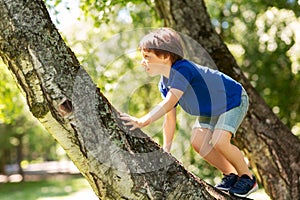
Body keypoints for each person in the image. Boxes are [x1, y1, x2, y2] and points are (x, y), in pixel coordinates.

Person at [120, 27, 258, 197]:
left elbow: (169, 101)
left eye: (147, 57)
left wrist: (142, 121)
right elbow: (169, 118)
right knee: (198, 142)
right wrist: (166, 149)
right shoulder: (164, 84)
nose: (143, 62)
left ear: (165, 56)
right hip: (211, 109)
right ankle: (231, 174)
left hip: (231, 99)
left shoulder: (183, 69)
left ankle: (248, 178)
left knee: (220, 141)